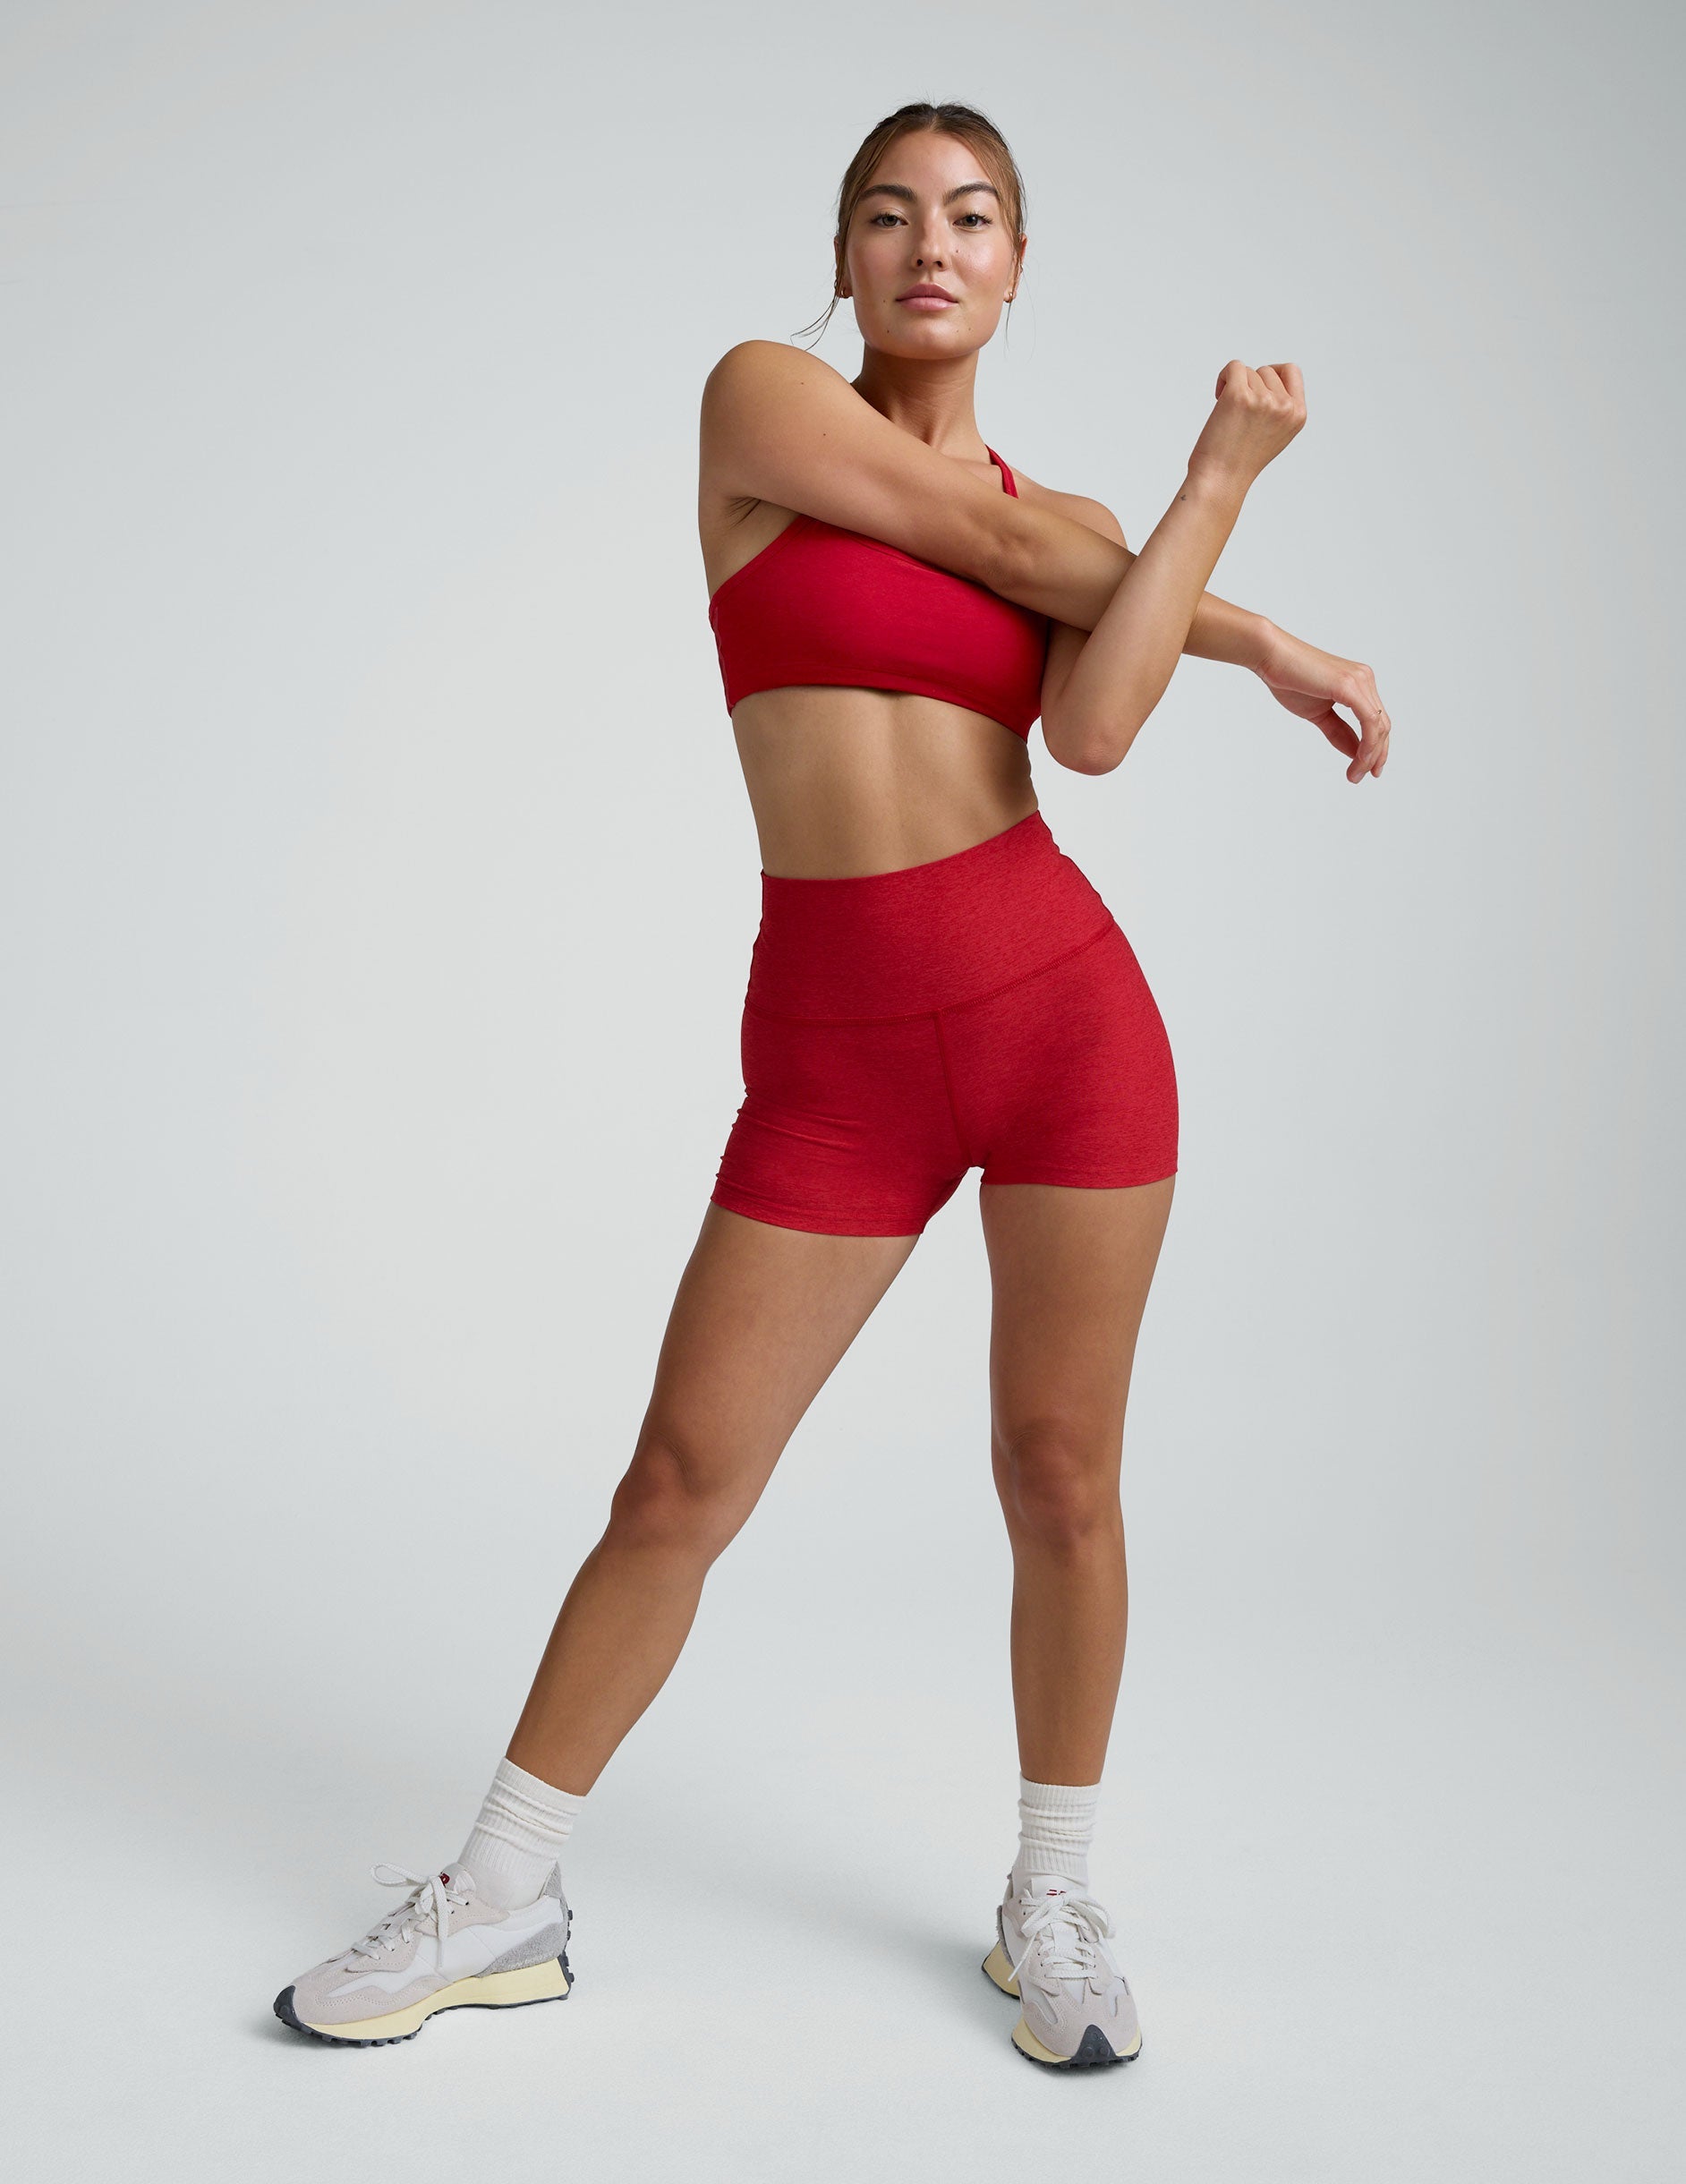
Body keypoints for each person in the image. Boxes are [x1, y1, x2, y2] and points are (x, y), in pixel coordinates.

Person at [273, 99, 1390, 2068]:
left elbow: (1102, 719)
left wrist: (1218, 495)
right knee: (678, 1480)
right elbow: (999, 542)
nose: (927, 247)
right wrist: (1255, 627)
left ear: (1023, 263)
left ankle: (1055, 1893)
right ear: (848, 251)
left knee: (1060, 1475)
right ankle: (503, 1885)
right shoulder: (767, 405)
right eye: (889, 216)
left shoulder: (1085, 536)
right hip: (836, 1056)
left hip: (1063, 1022)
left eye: (971, 218)